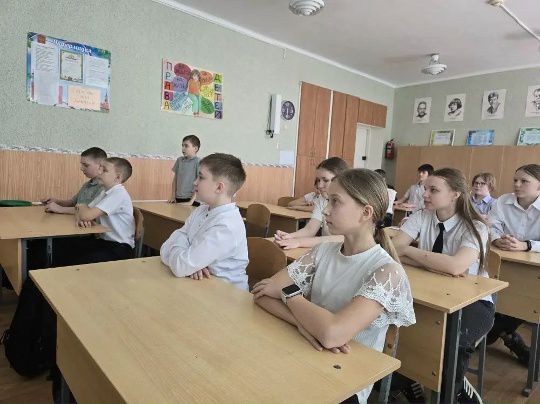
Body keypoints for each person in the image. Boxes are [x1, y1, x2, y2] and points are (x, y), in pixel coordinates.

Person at [252, 169, 415, 404]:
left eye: (335, 202)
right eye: (328, 201)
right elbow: (262, 293)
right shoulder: (323, 251)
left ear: (366, 212)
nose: (326, 209)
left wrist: (289, 295)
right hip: (307, 352)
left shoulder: (387, 271)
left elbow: (332, 335)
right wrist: (302, 325)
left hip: (346, 378)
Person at [392, 167, 492, 403]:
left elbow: (456, 266)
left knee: (451, 345)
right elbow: (394, 250)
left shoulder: (476, 227)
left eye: (433, 190)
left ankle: (455, 391)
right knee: (398, 329)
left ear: (455, 194)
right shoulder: (422, 216)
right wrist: (435, 264)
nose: (425, 194)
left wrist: (411, 252)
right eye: (425, 189)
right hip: (431, 293)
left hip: (473, 302)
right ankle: (408, 379)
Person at [160, 153, 249, 290]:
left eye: (200, 177)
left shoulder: (227, 226)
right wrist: (189, 264)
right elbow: (165, 248)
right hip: (201, 285)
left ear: (219, 188)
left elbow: (180, 266)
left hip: (226, 294)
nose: (194, 182)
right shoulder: (201, 210)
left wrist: (185, 261)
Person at [486, 164, 540, 366]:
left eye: (524, 181)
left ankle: (500, 332)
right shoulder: (503, 201)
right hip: (503, 263)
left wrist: (527, 245)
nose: (517, 185)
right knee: (497, 299)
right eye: (515, 180)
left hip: (533, 272)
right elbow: (491, 226)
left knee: (526, 303)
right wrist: (496, 239)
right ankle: (506, 335)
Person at [53, 157, 135, 266]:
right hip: (103, 241)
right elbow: (84, 212)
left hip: (119, 247)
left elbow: (86, 214)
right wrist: (81, 215)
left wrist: (81, 207)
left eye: (104, 170)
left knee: (73, 261)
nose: (99, 172)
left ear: (118, 177)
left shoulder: (118, 194)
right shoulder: (105, 191)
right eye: (100, 168)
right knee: (60, 246)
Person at [274, 157, 348, 249]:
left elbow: (343, 238)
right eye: (318, 180)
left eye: (325, 180)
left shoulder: (350, 203)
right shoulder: (322, 199)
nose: (319, 185)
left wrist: (299, 242)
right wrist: (289, 237)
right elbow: (310, 230)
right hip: (328, 251)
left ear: (341, 180)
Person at [43, 147, 107, 214]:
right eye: (82, 165)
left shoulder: (104, 187)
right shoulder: (87, 185)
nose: (81, 168)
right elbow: (72, 203)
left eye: (86, 165)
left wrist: (60, 209)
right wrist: (56, 201)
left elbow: (90, 211)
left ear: (100, 166)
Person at [168, 135, 200, 206]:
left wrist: (191, 201)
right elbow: (175, 180)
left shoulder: (198, 162)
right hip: (178, 198)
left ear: (195, 148)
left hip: (191, 199)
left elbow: (199, 183)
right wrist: (173, 196)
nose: (183, 148)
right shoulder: (179, 160)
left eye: (186, 146)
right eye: (182, 146)